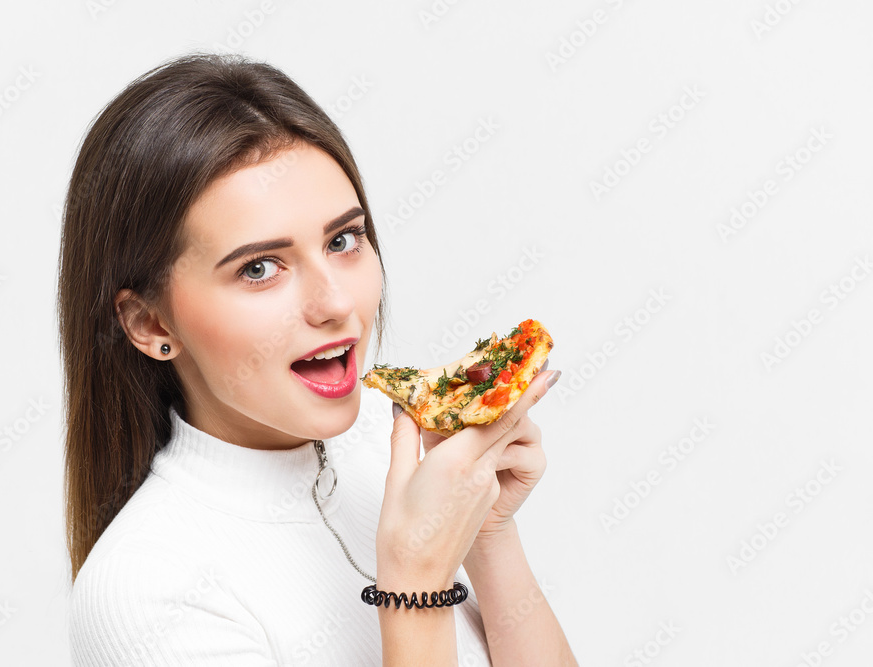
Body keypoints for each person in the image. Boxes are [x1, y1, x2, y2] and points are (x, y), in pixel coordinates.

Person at [59, 52, 578, 666]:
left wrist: (486, 532)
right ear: (151, 323)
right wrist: (416, 582)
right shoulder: (148, 592)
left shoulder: (396, 453)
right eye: (259, 268)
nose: (335, 303)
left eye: (343, 240)